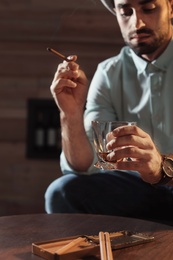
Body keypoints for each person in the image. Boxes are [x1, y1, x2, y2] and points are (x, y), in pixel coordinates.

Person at [45, 0, 173, 223]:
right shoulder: (109, 72)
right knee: (62, 192)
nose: (137, 22)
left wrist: (161, 168)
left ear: (171, 6)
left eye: (149, 8)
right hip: (137, 192)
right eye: (125, 11)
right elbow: (86, 165)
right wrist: (71, 114)